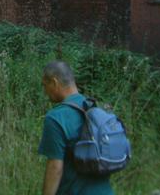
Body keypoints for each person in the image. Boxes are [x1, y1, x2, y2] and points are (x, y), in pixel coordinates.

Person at [39, 60, 114, 195]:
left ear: (54, 83)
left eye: (45, 85)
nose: (45, 91)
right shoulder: (95, 109)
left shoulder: (56, 118)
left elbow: (55, 167)